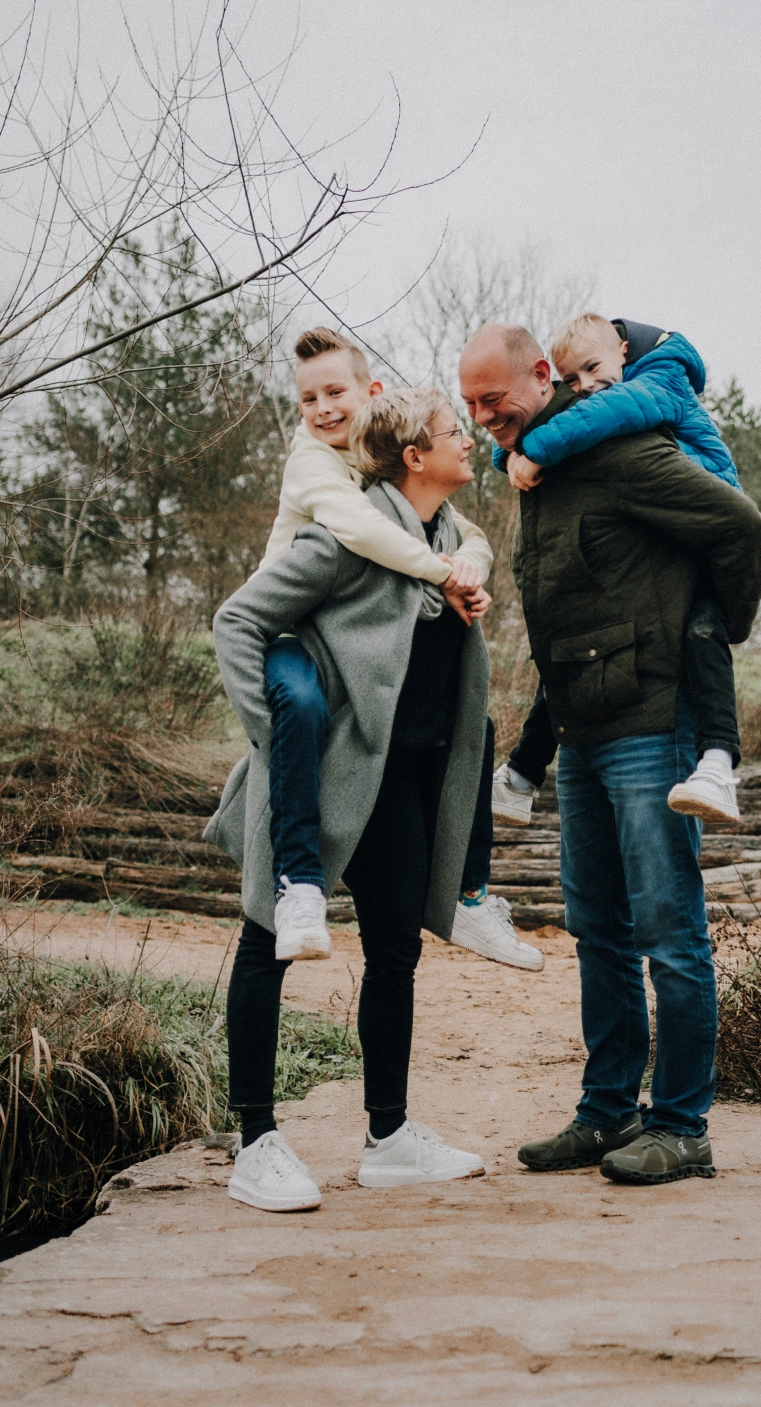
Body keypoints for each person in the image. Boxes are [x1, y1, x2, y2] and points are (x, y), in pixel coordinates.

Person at [206, 387, 527, 1211]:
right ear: (414, 458)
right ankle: (256, 1145)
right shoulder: (344, 538)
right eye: (454, 432)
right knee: (266, 947)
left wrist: (475, 568)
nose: (468, 441)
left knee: (395, 956)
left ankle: (389, 1139)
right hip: (314, 785)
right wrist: (278, 741)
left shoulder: (450, 538)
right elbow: (238, 621)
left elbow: (473, 559)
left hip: (402, 786)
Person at [460, 323, 761, 1186]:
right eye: (472, 404)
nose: (486, 416)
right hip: (584, 739)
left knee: (670, 935)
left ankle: (683, 1127)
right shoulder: (538, 473)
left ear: (543, 376)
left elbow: (737, 526)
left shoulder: (628, 447)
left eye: (497, 398)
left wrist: (713, 629)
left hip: (653, 724)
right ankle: (606, 1115)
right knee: (598, 931)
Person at [258, 325, 542, 973]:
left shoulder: (371, 463)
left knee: (478, 722)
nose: (324, 408)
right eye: (309, 399)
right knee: (300, 709)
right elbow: (362, 531)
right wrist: (445, 573)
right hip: (290, 640)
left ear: (370, 392)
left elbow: (465, 531)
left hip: (346, 649)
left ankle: (469, 893)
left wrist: (465, 563)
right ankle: (299, 881)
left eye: (337, 392)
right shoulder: (313, 462)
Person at [490, 314, 743, 832]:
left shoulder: (661, 378)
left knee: (701, 634)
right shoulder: (614, 391)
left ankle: (719, 763)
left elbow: (607, 412)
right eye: (571, 379)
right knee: (569, 656)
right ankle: (521, 771)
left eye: (593, 368)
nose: (585, 387)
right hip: (661, 541)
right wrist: (508, 447)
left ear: (624, 351)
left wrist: (531, 449)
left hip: (698, 535)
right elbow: (546, 430)